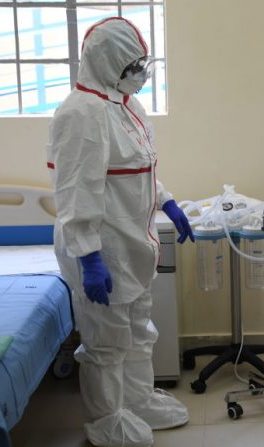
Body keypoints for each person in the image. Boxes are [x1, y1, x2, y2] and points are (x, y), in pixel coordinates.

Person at [47, 17, 194, 447]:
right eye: (132, 63)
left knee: (136, 329)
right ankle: (105, 421)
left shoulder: (128, 105)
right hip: (103, 247)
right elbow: (76, 191)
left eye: (142, 61)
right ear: (107, 61)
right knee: (105, 342)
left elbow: (139, 170)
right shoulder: (80, 113)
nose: (140, 70)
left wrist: (166, 201)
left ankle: (137, 400)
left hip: (135, 240)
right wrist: (89, 256)